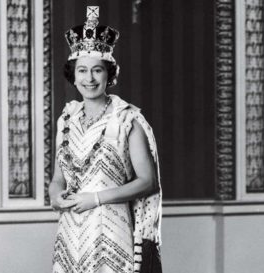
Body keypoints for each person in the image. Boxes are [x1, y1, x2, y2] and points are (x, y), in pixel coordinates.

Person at [50, 6, 163, 273]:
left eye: (97, 70)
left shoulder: (127, 119)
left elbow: (148, 182)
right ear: (73, 75)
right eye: (82, 71)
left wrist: (97, 198)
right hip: (71, 229)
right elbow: (58, 177)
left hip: (112, 230)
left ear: (108, 74)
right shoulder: (66, 119)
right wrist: (55, 195)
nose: (89, 78)